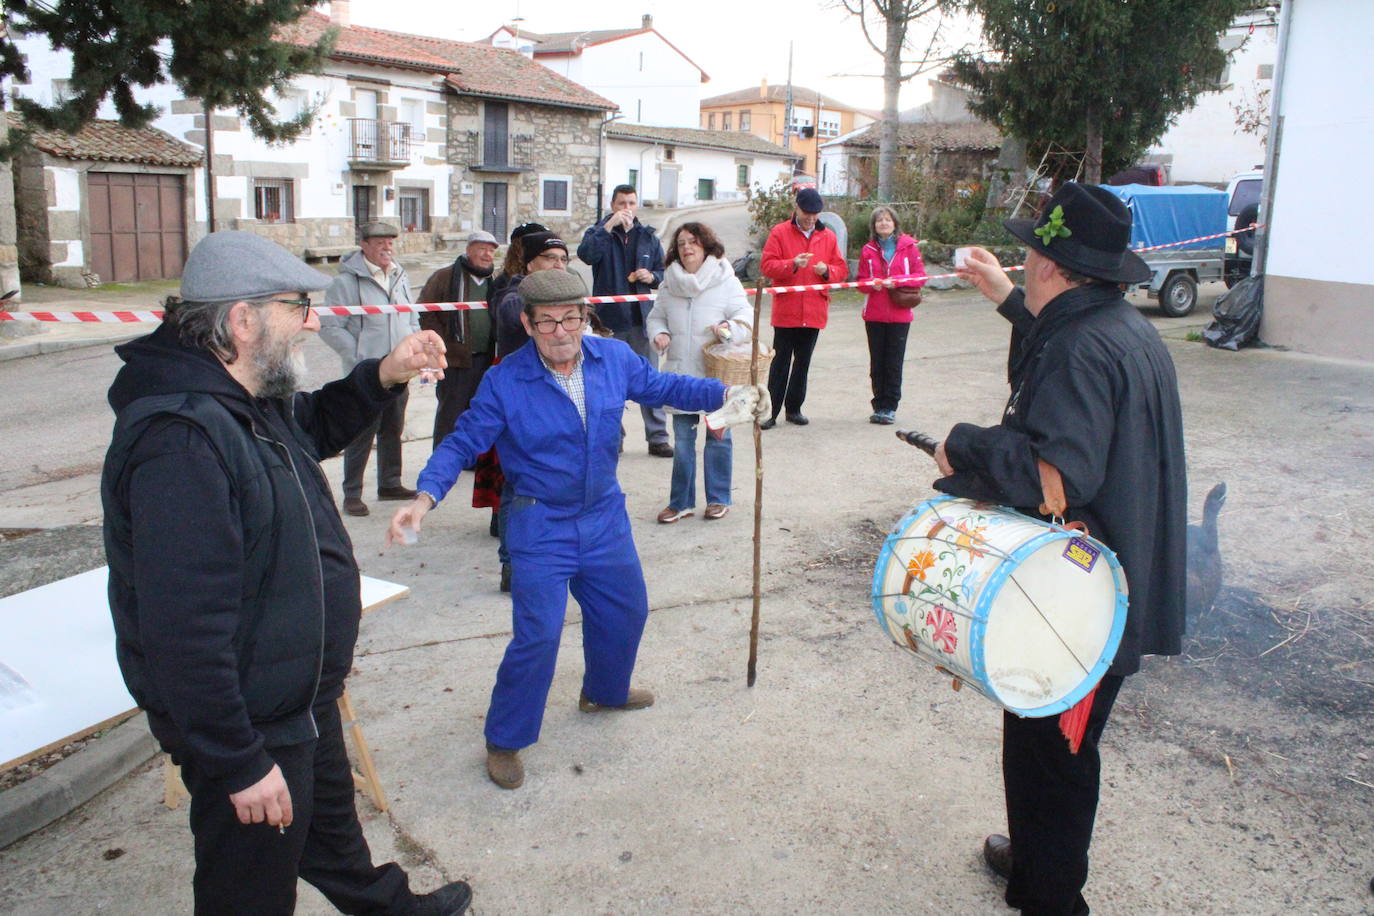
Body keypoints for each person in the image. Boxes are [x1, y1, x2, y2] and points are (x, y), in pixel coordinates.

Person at [101, 231, 470, 915]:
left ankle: (388, 908)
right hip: (250, 720)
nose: (312, 320)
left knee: (329, 828)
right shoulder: (181, 441)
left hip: (295, 692)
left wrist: (383, 373)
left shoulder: (242, 398)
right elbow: (183, 630)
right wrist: (238, 762)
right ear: (241, 321)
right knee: (249, 888)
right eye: (296, 306)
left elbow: (313, 424)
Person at [386, 269, 770, 791]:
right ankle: (505, 738)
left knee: (625, 610)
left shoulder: (613, 360)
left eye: (571, 318)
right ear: (526, 323)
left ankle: (604, 691)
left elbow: (664, 385)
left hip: (604, 516)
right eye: (546, 322)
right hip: (540, 522)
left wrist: (728, 392)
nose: (561, 332)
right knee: (538, 636)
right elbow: (461, 441)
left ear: (585, 316)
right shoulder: (505, 380)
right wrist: (426, 496)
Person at [933, 182, 1187, 916]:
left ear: (1051, 263)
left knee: (1059, 752)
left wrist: (964, 444)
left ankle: (1052, 896)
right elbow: (1060, 358)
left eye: (1029, 253)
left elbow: (1054, 477)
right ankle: (1037, 856)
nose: (1023, 260)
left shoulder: (1081, 347)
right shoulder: (1113, 323)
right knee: (1038, 734)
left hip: (1085, 600)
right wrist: (1007, 299)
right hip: (1106, 578)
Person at [645, 221, 753, 523]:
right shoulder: (669, 283)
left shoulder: (725, 280)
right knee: (682, 442)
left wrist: (727, 331)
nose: (687, 247)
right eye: (681, 243)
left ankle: (718, 498)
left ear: (705, 245)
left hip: (716, 375)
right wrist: (660, 334)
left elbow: (746, 318)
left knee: (719, 438)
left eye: (693, 241)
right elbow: (656, 318)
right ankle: (681, 502)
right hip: (680, 375)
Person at [319, 221, 419, 516]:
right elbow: (329, 325)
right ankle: (352, 493)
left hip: (398, 370)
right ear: (363, 244)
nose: (387, 247)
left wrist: (411, 346)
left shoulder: (400, 275)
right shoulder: (346, 282)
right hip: (365, 373)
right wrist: (357, 356)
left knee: (392, 428)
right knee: (361, 431)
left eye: (390, 242)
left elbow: (411, 317)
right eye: (379, 242)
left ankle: (390, 483)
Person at [576, 184, 673, 457]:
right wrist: (608, 226)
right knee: (609, 382)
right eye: (621, 204)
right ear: (612, 206)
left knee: (649, 379)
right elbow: (586, 255)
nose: (627, 209)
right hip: (609, 323)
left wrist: (651, 277)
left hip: (642, 320)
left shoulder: (648, 237)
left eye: (631, 203)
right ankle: (613, 437)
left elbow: (665, 273)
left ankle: (657, 437)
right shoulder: (599, 233)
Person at [758, 187, 848, 429]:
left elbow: (841, 270)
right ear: (796, 208)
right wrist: (792, 265)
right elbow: (767, 266)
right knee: (780, 364)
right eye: (807, 213)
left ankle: (794, 409)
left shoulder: (828, 236)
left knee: (803, 362)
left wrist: (827, 271)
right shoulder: (779, 232)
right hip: (787, 310)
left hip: (814, 310)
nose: (811, 218)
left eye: (815, 214)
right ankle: (771, 412)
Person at [417, 230, 499, 450]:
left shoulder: (495, 281)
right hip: (454, 360)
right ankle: (442, 461)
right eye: (482, 249)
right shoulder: (444, 276)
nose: (487, 255)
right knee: (450, 413)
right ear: (469, 250)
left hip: (485, 358)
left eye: (491, 251)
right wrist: (441, 343)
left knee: (478, 411)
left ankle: (470, 457)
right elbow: (426, 310)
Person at [856, 206, 926, 425]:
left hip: (899, 314)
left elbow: (920, 277)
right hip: (874, 314)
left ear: (895, 223)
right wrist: (872, 285)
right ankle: (878, 404)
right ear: (874, 226)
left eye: (887, 220)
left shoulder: (909, 247)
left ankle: (890, 406)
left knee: (893, 362)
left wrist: (897, 281)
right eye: (879, 221)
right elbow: (859, 281)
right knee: (877, 363)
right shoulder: (868, 249)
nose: (883, 223)